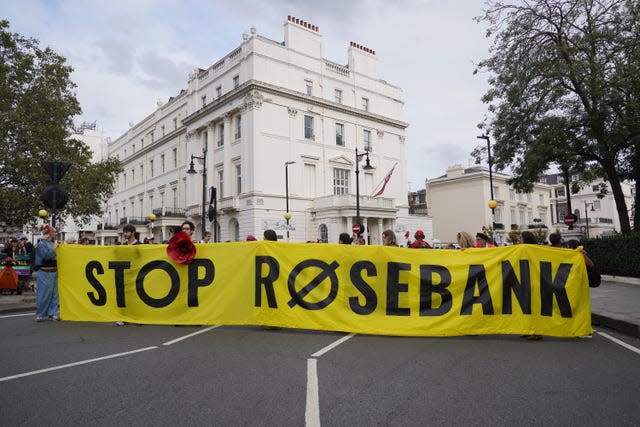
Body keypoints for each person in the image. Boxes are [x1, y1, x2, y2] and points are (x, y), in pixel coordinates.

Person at [34, 224, 59, 322]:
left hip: (53, 271)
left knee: (54, 294)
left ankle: (52, 313)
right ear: (49, 233)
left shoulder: (52, 243)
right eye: (53, 232)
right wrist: (54, 249)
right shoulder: (41, 244)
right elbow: (47, 256)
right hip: (44, 272)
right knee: (43, 293)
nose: (54, 234)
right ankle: (40, 314)